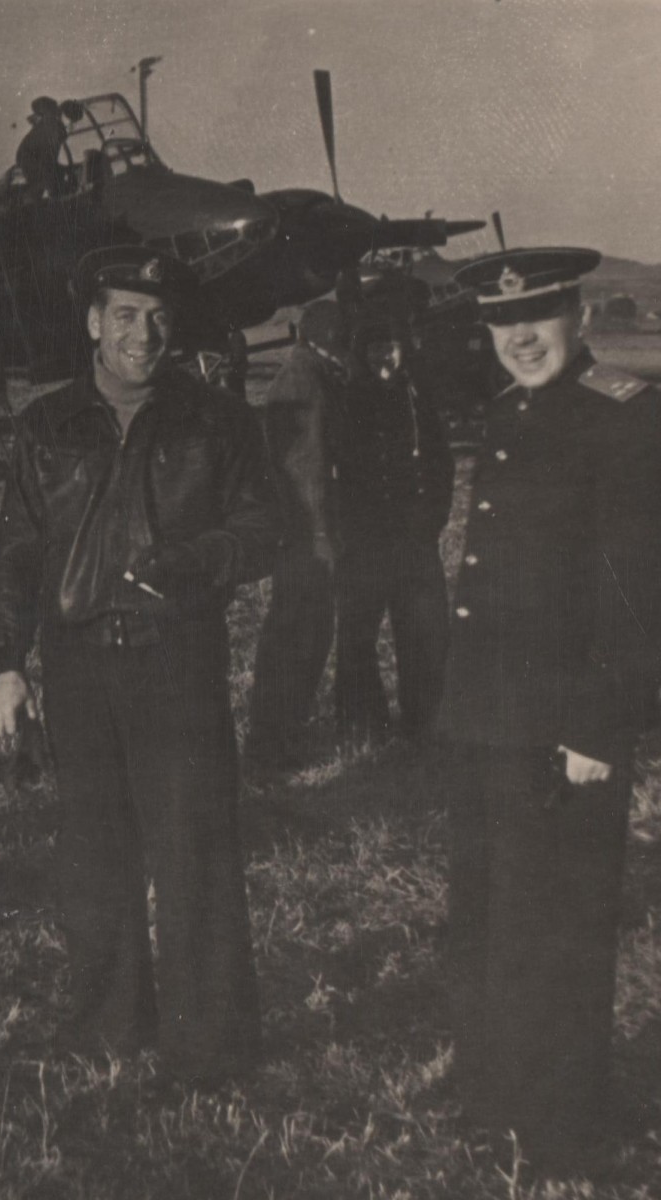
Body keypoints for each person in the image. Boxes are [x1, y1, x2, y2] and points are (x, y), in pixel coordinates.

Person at [0, 246, 280, 1081]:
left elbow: (266, 530)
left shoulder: (218, 417)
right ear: (92, 322)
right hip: (78, 669)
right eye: (123, 314)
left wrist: (198, 560)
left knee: (195, 855)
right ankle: (105, 1026)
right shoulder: (46, 423)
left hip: (176, 660)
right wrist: (7, 662)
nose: (141, 334)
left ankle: (208, 1046)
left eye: (156, 317)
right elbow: (17, 548)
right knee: (95, 855)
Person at [439, 246, 661, 1172]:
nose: (518, 337)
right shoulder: (504, 412)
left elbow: (638, 589)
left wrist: (600, 727)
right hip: (490, 714)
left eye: (536, 315)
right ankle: (496, 1100)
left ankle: (563, 1128)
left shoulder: (627, 418)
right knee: (494, 915)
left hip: (566, 720)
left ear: (576, 314)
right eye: (500, 322)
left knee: (562, 925)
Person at [332, 308, 454, 744]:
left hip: (414, 538)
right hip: (363, 541)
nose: (384, 356)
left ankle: (425, 723)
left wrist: (434, 518)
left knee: (425, 632)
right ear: (360, 354)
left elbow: (442, 464)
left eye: (391, 347)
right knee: (357, 636)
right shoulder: (345, 400)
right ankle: (362, 725)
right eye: (374, 348)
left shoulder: (417, 397)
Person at [244, 300, 349, 773]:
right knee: (297, 640)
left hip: (308, 536)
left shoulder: (312, 372)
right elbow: (307, 473)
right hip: (308, 539)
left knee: (304, 638)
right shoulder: (307, 379)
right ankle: (271, 748)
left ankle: (282, 738)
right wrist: (322, 542)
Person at [15, 96, 69, 198]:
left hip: (32, 161)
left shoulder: (50, 125)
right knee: (43, 185)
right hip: (32, 162)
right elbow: (47, 156)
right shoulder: (49, 127)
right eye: (52, 110)